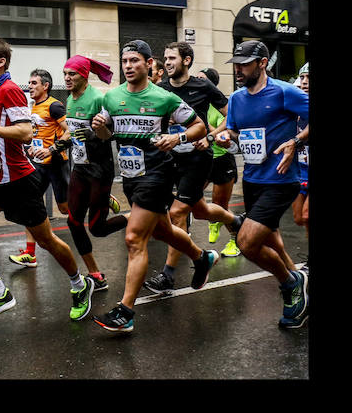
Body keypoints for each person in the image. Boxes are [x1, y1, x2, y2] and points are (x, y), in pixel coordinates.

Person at [0, 36, 95, 325]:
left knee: (46, 241)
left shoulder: (9, 91)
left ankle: (80, 285)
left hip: (20, 181)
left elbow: (24, 133)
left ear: (1, 62)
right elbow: (3, 131)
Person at [90, 39, 220, 333]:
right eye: (125, 62)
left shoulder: (164, 98)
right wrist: (100, 129)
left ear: (149, 64)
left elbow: (198, 125)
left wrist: (177, 138)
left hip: (158, 174)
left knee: (135, 238)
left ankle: (126, 311)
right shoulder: (111, 98)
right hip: (131, 178)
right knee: (162, 230)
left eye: (135, 61)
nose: (129, 67)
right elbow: (105, 135)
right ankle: (202, 258)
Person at [213, 41, 309, 328]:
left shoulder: (284, 92)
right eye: (236, 64)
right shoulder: (238, 98)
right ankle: (300, 281)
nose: (238, 69)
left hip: (281, 179)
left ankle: (289, 283)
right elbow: (233, 129)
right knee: (270, 239)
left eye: (244, 64)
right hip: (252, 180)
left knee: (246, 242)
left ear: (263, 63)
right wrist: (226, 137)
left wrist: (295, 141)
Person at [144, 42, 244, 295]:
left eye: (172, 58)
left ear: (186, 61)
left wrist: (210, 137)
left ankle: (168, 275)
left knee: (177, 213)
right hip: (171, 158)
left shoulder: (202, 86)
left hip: (198, 159)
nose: (166, 63)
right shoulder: (161, 89)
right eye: (165, 58)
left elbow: (230, 115)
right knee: (199, 211)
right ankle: (234, 219)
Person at [57, 55, 128, 291]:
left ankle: (132, 218)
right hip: (80, 168)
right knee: (73, 221)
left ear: (84, 75)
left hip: (100, 168)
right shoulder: (69, 100)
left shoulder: (99, 98)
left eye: (72, 74)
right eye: (65, 73)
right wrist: (54, 147)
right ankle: (95, 273)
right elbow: (74, 135)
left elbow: (114, 132)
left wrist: (96, 134)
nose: (67, 78)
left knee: (97, 228)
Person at [9, 68, 72, 268]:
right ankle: (30, 253)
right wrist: (29, 149)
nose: (30, 87)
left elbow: (70, 132)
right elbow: (33, 135)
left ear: (46, 86)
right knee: (31, 205)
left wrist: (51, 149)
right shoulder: (31, 108)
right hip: (39, 166)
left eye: (34, 83)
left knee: (64, 208)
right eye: (29, 83)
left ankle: (98, 200)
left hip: (56, 164)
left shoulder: (54, 106)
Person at [196, 68, 242, 258]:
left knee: (220, 206)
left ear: (211, 84)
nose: (196, 82)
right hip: (202, 159)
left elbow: (230, 123)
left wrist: (209, 132)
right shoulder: (194, 103)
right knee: (189, 200)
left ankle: (235, 239)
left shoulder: (219, 104)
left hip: (222, 160)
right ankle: (209, 222)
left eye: (201, 79)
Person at [291, 62, 309, 267]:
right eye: (303, 78)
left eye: (309, 79)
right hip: (300, 170)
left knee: (307, 214)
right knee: (299, 218)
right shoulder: (295, 103)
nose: (305, 83)